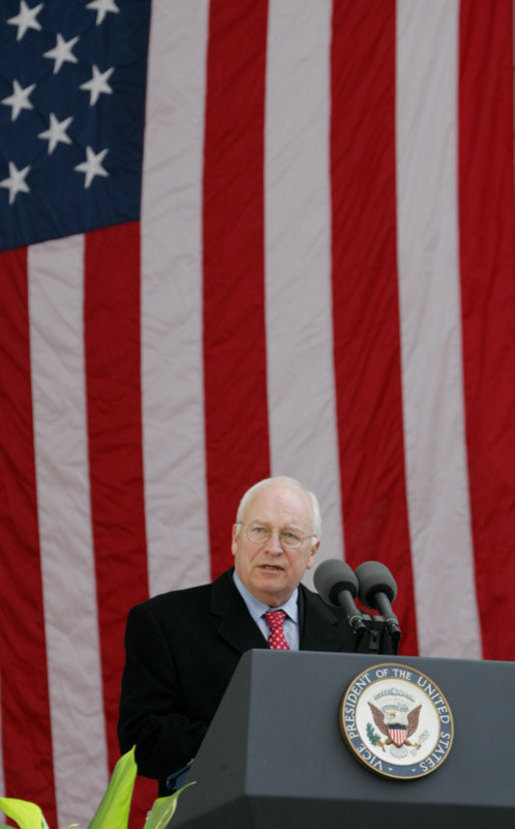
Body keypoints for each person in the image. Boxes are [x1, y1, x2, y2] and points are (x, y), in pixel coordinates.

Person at [117, 476, 356, 795]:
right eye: (260, 531)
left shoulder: (350, 629)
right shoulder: (166, 622)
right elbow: (141, 743)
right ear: (236, 538)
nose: (273, 548)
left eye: (290, 535)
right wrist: (253, 738)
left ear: (312, 552)